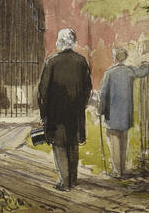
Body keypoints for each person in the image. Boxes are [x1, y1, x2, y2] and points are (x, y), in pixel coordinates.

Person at [38, 28, 92, 191]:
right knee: (73, 144)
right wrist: (82, 104)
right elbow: (87, 87)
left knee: (60, 146)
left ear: (60, 42)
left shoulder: (52, 62)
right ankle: (74, 179)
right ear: (73, 41)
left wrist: (43, 112)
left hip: (56, 113)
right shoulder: (81, 61)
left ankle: (66, 181)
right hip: (75, 111)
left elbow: (43, 90)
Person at [98, 47, 149, 178]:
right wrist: (147, 64)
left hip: (112, 112)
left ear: (115, 58)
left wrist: (100, 110)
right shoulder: (129, 71)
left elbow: (103, 94)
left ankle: (118, 171)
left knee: (114, 140)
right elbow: (143, 71)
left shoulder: (109, 73)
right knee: (124, 139)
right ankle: (122, 167)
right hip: (126, 112)